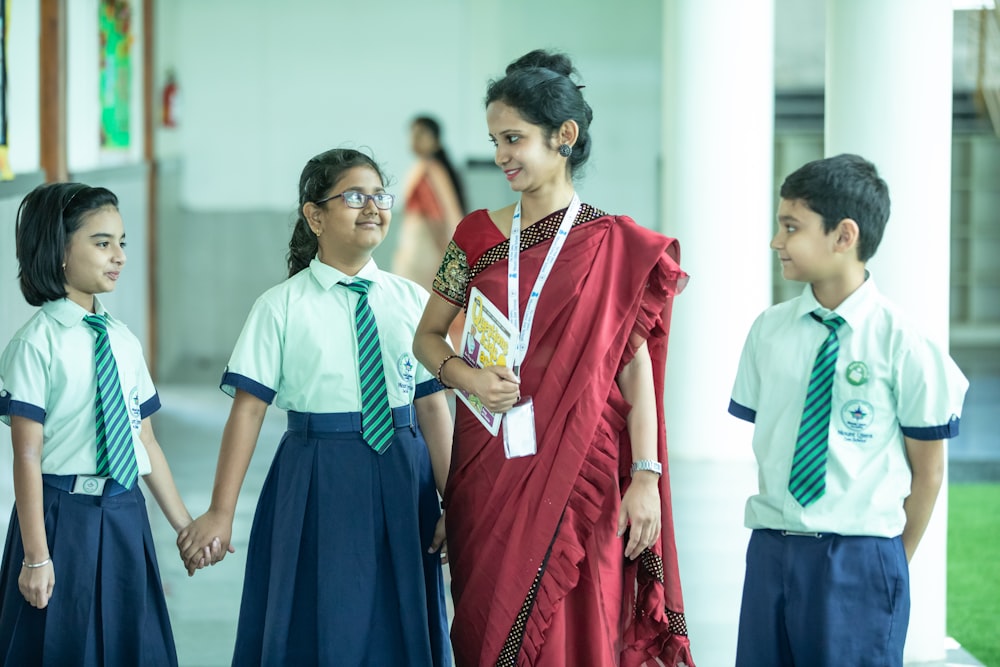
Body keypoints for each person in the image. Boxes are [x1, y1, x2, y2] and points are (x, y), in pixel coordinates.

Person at [413, 50, 695, 667]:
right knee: (487, 627)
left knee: (581, 627)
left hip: (583, 477)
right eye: (494, 140)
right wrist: (469, 379)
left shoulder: (615, 244)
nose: (501, 156)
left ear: (563, 137)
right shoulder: (476, 236)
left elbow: (634, 370)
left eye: (514, 138)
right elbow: (428, 337)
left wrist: (645, 476)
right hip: (489, 468)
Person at [176, 148, 453, 666]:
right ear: (315, 215)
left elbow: (433, 407)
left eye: (379, 196)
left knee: (403, 614)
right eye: (354, 196)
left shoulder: (412, 301)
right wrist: (220, 511)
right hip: (317, 476)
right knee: (320, 615)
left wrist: (455, 501)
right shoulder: (280, 306)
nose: (371, 207)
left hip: (403, 472)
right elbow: (249, 411)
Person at [728, 154, 969, 667]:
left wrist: (886, 564)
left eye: (791, 227)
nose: (777, 241)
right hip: (771, 551)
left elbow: (928, 474)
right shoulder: (767, 332)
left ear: (844, 236)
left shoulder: (905, 344)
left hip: (861, 557)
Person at [0, 183, 218, 666]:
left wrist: (185, 527)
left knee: (131, 646)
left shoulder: (122, 341)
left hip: (124, 513)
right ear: (58, 250)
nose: (118, 256)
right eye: (102, 243)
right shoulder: (36, 345)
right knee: (60, 646)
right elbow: (26, 456)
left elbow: (146, 442)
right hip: (60, 519)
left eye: (122, 242)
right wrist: (36, 556)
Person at [393, 115, 467, 292]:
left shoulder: (430, 171)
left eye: (421, 135)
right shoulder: (422, 168)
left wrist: (447, 257)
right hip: (419, 250)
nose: (414, 140)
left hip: (425, 253)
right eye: (412, 134)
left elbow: (437, 217)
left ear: (436, 140)